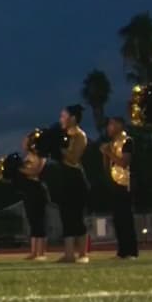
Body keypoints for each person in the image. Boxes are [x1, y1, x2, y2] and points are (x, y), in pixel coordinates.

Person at [58, 106, 91, 264]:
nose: (61, 119)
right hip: (64, 177)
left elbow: (73, 158)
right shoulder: (63, 135)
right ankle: (69, 254)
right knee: (66, 216)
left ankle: (83, 254)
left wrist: (58, 149)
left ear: (73, 118)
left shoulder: (80, 135)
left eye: (63, 116)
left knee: (77, 216)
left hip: (76, 178)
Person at [101, 117, 138, 259]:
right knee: (117, 218)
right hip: (114, 183)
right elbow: (107, 167)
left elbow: (124, 162)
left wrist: (109, 153)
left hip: (126, 183)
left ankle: (131, 251)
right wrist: (105, 154)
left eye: (112, 124)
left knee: (126, 218)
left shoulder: (127, 141)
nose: (109, 128)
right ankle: (122, 251)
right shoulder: (112, 144)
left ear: (120, 126)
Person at [17, 133, 50, 261]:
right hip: (29, 190)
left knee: (39, 221)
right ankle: (34, 252)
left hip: (38, 190)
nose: (23, 143)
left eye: (26, 141)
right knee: (32, 221)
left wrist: (19, 169)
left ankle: (41, 252)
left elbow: (36, 171)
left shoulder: (41, 155)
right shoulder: (28, 156)